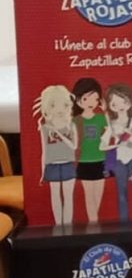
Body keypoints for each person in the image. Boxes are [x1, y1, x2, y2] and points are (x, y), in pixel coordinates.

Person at [102, 83, 132, 221]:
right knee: (121, 194)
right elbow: (102, 145)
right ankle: (124, 226)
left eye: (123, 101)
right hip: (119, 161)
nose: (120, 106)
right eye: (114, 104)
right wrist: (113, 146)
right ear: (110, 106)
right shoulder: (112, 124)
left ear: (129, 102)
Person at [36, 85, 78, 226]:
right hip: (52, 165)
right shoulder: (45, 128)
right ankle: (58, 226)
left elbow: (74, 146)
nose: (59, 109)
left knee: (68, 196)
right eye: (54, 105)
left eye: (64, 105)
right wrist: (43, 172)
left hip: (67, 164)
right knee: (55, 196)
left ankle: (68, 225)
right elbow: (44, 151)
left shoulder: (71, 126)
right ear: (48, 107)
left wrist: (60, 134)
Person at [71, 77, 108, 224]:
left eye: (95, 99)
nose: (91, 103)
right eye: (86, 98)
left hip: (101, 160)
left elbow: (111, 132)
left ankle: (94, 222)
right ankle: (94, 223)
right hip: (84, 161)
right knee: (89, 194)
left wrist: (106, 112)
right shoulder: (75, 120)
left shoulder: (100, 118)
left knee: (98, 195)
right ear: (78, 99)